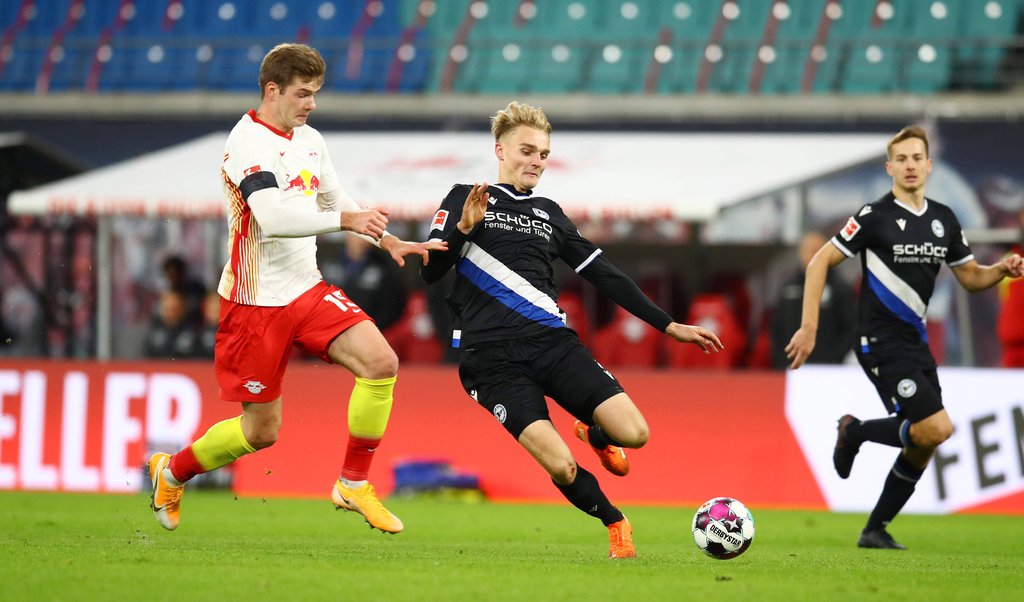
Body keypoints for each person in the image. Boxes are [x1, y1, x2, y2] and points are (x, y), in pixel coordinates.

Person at [146, 43, 445, 535]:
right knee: (261, 432)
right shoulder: (247, 144)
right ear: (272, 90)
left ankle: (352, 482)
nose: (311, 104)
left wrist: (384, 236)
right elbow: (274, 216)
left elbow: (332, 194)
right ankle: (172, 471)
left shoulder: (309, 139)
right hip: (253, 303)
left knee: (380, 362)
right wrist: (346, 220)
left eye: (315, 94)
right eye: (303, 94)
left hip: (305, 289)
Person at [420, 101, 723, 558]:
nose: (537, 162)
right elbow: (430, 270)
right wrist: (463, 228)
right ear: (500, 149)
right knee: (561, 465)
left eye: (543, 154)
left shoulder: (550, 212)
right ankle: (615, 523)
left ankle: (595, 434)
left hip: (553, 345)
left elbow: (604, 274)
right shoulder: (465, 196)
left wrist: (668, 324)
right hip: (492, 362)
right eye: (527, 150)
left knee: (635, 433)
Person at [785, 125, 1024, 549]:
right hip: (879, 340)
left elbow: (970, 278)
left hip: (916, 342)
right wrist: (809, 327)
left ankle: (874, 528)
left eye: (918, 158)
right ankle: (854, 434)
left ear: (929, 166)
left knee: (925, 439)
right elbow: (820, 261)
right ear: (890, 167)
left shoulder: (944, 220)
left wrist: (1000, 270)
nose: (910, 165)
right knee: (936, 426)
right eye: (903, 159)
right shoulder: (873, 217)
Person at [770, 231, 856, 368]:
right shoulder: (788, 287)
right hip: (791, 366)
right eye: (808, 250)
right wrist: (781, 360)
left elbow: (851, 328)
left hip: (828, 368)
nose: (813, 256)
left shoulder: (840, 289)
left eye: (817, 250)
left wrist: (834, 359)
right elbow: (776, 328)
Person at [144, 289, 200, 359]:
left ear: (181, 309)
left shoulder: (191, 332)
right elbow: (145, 357)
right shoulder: (153, 331)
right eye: (167, 309)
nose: (170, 313)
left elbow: (197, 360)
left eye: (173, 308)